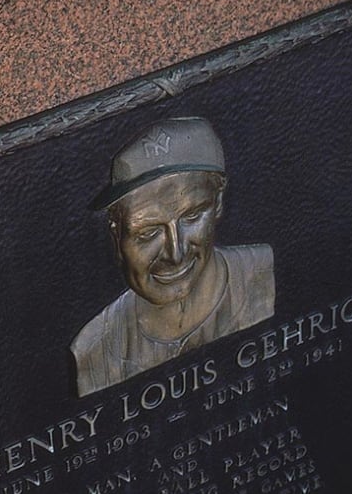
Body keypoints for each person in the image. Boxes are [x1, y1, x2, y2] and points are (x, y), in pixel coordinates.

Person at [70, 116, 274, 397]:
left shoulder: (263, 274)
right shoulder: (95, 349)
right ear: (117, 235)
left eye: (192, 216)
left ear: (218, 203)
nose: (175, 254)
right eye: (148, 233)